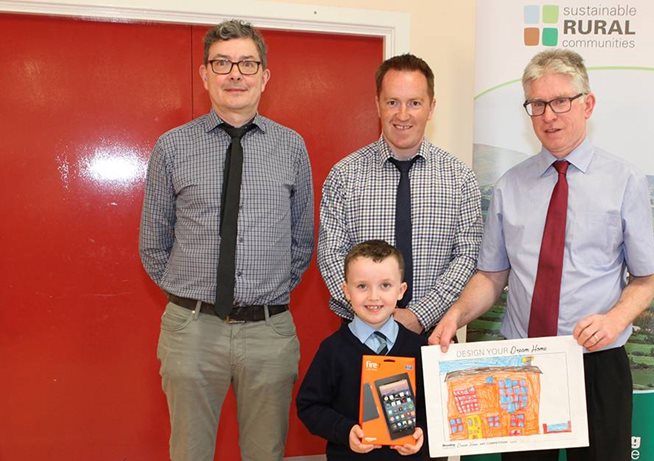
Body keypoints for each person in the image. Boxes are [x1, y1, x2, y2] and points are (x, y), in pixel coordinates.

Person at [429, 49, 654, 461]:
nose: (549, 116)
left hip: (596, 363)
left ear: (587, 104)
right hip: (523, 363)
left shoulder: (625, 181)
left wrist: (614, 320)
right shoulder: (509, 186)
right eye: (537, 104)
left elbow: (645, 280)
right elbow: (491, 276)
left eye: (560, 101)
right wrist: (456, 315)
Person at [138, 19, 314, 461]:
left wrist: (263, 296)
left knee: (264, 452)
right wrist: (193, 297)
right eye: (222, 63)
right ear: (205, 74)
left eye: (247, 63)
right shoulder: (172, 147)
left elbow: (301, 240)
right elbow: (153, 243)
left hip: (268, 333)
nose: (235, 73)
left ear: (264, 75)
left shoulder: (292, 147)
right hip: (192, 331)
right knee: (190, 452)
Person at [318, 53, 482, 336]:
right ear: (377, 105)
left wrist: (420, 315)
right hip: (360, 336)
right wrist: (375, 314)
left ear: (431, 107)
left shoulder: (460, 179)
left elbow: (467, 257)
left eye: (415, 103)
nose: (402, 115)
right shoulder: (344, 176)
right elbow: (332, 255)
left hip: (434, 336)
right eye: (392, 102)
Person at [297, 240, 427, 460]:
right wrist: (345, 431)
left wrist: (422, 434)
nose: (373, 297)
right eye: (362, 286)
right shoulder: (332, 350)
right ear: (346, 291)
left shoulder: (419, 348)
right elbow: (309, 406)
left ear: (401, 290)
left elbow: (433, 410)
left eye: (385, 285)